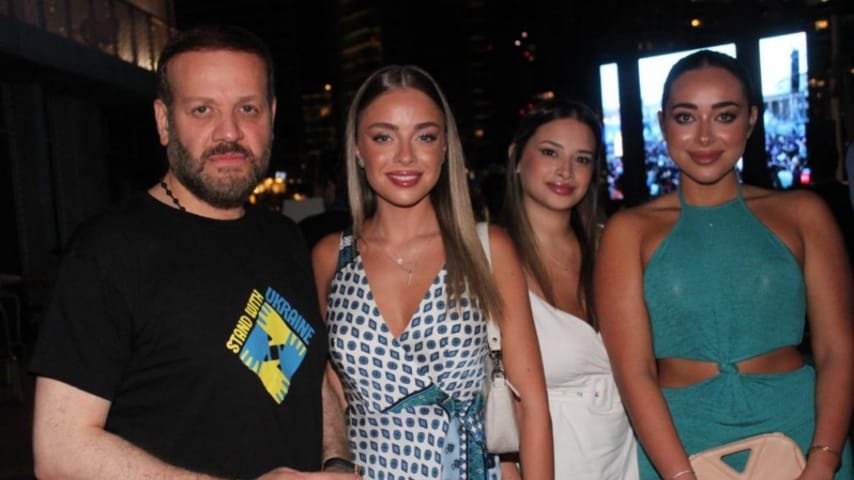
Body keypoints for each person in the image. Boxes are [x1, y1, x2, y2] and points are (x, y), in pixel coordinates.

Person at [30, 26, 353, 480]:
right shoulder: (107, 252)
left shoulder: (283, 236)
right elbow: (60, 449)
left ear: (272, 116)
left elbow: (306, 372)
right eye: (203, 109)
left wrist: (337, 461)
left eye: (248, 108)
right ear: (164, 122)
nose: (230, 132)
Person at [595, 50, 853, 480]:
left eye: (724, 116)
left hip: (803, 433)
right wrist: (680, 475)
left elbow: (837, 350)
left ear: (751, 120)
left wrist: (824, 460)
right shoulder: (629, 231)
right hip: (679, 444)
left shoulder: (804, 214)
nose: (704, 136)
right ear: (662, 123)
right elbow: (633, 373)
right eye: (685, 117)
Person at [312, 65, 553, 479]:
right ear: (357, 149)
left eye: (424, 137)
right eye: (384, 137)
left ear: (445, 148)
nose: (405, 156)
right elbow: (328, 387)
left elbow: (530, 405)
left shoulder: (486, 249)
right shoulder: (330, 257)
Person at [500, 98, 638, 479]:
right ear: (516, 157)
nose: (566, 171)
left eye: (582, 159)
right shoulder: (489, 256)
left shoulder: (613, 247)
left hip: (630, 456)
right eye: (550, 152)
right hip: (548, 462)